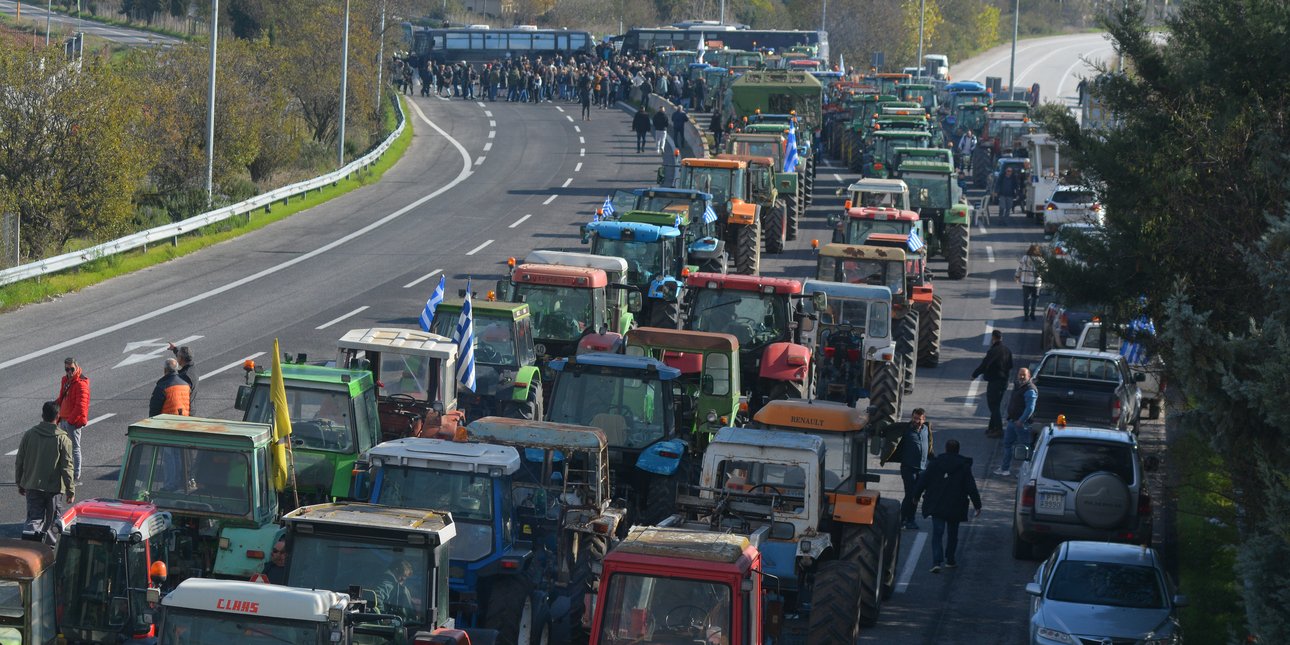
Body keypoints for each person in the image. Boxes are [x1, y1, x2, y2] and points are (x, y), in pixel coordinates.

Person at [914, 439, 982, 572]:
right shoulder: (964, 466)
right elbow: (971, 487)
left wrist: (915, 496)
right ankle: (950, 559)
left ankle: (936, 562)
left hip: (937, 503)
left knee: (937, 533)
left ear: (946, 449)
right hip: (956, 505)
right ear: (958, 450)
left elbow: (923, 481)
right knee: (953, 534)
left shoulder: (935, 464)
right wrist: (977, 505)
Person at [16, 401, 75, 546]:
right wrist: (70, 490)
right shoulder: (63, 439)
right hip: (54, 489)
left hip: (32, 485)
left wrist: (20, 482)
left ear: (42, 415)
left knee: (34, 519)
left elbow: (19, 461)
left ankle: (29, 548)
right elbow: (67, 467)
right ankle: (49, 551)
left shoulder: (30, 434)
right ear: (58, 416)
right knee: (52, 522)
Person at [995, 367, 1038, 476]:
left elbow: (1030, 408)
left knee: (1026, 447)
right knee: (1007, 444)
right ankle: (1005, 469)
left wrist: (1021, 420)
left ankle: (1025, 472)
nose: (1022, 376)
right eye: (1020, 374)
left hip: (1022, 424)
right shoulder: (1018, 385)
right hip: (1012, 421)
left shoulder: (1030, 390)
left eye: (1024, 375)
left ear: (1029, 376)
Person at [971, 330, 1014, 438]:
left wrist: (974, 375)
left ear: (993, 338)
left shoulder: (993, 351)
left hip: (995, 382)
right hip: (1004, 382)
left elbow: (984, 365)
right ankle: (992, 427)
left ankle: (998, 429)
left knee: (993, 406)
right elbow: (1010, 366)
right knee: (996, 405)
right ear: (1001, 338)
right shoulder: (1007, 350)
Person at [54, 357, 90, 482]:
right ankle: (65, 471)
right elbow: (62, 397)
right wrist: (53, 406)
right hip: (63, 419)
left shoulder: (81, 384)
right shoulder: (65, 380)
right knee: (63, 448)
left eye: (72, 369)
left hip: (72, 422)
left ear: (77, 367)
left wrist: (70, 421)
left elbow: (81, 406)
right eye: (67, 369)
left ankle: (76, 474)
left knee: (74, 448)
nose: (69, 371)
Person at [898, 408, 933, 530]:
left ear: (924, 419)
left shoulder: (926, 429)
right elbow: (892, 430)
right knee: (910, 494)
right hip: (908, 468)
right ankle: (901, 519)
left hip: (921, 469)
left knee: (916, 495)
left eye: (919, 419)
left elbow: (929, 446)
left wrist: (935, 460)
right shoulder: (906, 430)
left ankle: (910, 520)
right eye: (914, 418)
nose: (916, 421)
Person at [1016, 244, 1044, 321]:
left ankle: (1026, 315)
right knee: (1035, 298)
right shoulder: (1040, 259)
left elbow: (1019, 268)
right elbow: (1045, 269)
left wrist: (1017, 276)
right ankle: (1032, 313)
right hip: (1036, 282)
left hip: (1026, 281)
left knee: (1026, 298)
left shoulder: (1024, 258)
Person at [168, 343, 198, 414]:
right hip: (191, 408)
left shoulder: (185, 376)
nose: (177, 359)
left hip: (186, 411)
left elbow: (179, 395)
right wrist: (175, 349)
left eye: (178, 356)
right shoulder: (192, 366)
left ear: (181, 358)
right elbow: (184, 356)